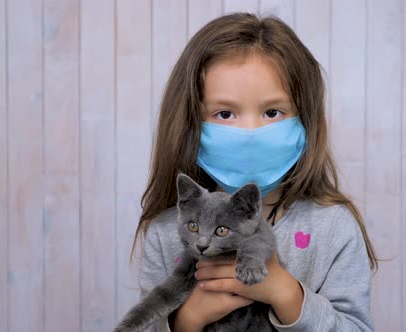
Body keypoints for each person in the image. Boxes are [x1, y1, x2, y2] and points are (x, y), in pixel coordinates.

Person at [131, 12, 377, 332]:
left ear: (305, 119)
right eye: (225, 113)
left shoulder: (334, 227)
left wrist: (287, 294)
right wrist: (187, 320)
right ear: (189, 124)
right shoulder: (167, 231)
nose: (250, 132)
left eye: (272, 112)